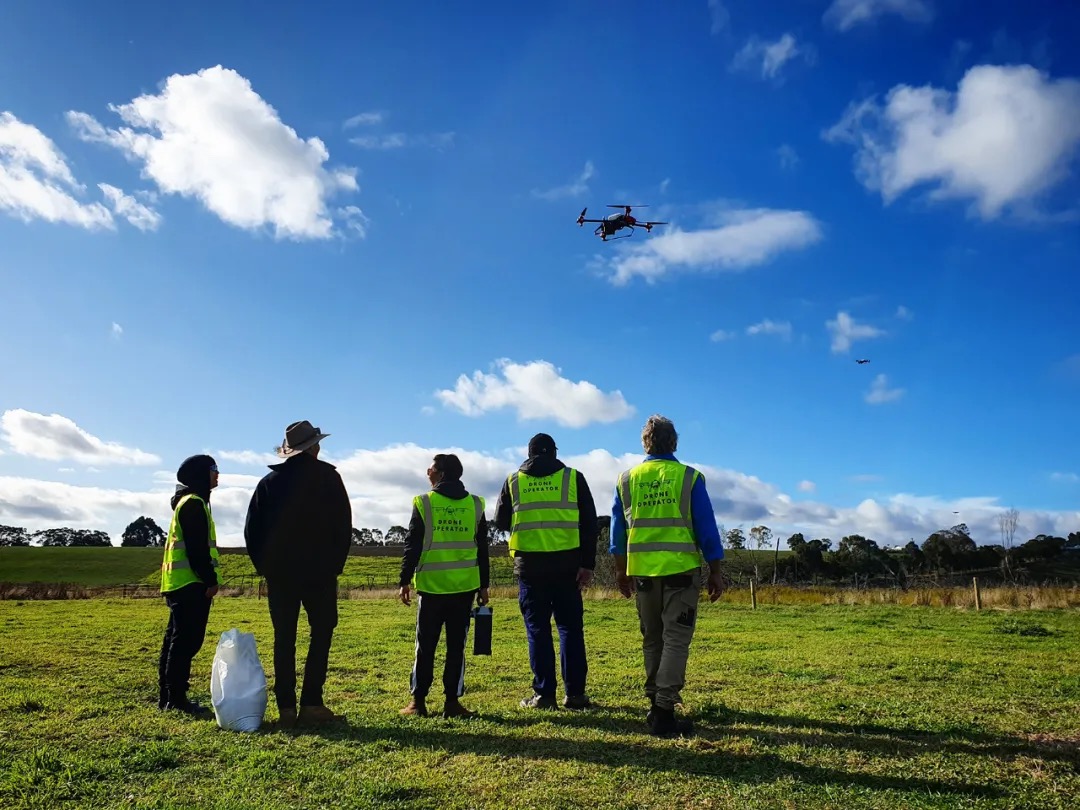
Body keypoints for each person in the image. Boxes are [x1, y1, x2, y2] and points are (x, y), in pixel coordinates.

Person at [611, 415, 725, 737]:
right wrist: (715, 571)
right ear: (674, 442)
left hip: (643, 573)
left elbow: (617, 531)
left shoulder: (626, 480)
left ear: (645, 442)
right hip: (680, 572)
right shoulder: (689, 478)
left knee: (652, 639)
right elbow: (707, 528)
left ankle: (654, 704)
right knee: (676, 640)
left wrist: (621, 570)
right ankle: (663, 710)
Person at [244, 420, 352, 728]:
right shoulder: (329, 479)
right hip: (320, 573)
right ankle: (312, 703)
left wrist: (265, 568)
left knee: (284, 638)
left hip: (280, 575)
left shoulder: (268, 483)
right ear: (314, 447)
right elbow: (343, 526)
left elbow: (252, 531)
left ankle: (286, 708)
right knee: (322, 633)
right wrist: (334, 566)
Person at [494, 433, 598, 710]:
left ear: (529, 454)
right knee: (570, 630)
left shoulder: (513, 480)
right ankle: (575, 695)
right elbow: (590, 525)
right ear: (554, 452)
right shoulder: (573, 478)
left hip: (530, 567)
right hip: (568, 568)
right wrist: (587, 564)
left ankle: (544, 696)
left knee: (537, 631)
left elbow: (501, 521)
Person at [398, 453, 489, 719]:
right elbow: (482, 549)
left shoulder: (424, 502)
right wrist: (484, 585)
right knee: (456, 647)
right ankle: (452, 702)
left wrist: (404, 579)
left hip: (432, 588)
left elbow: (412, 543)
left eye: (431, 468)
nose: (427, 471)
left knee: (425, 646)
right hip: (465, 588)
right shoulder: (475, 504)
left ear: (440, 474)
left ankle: (418, 703)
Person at [158, 454, 222, 716]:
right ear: (201, 474)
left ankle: (168, 695)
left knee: (176, 640)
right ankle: (176, 698)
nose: (218, 474)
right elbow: (197, 550)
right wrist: (210, 580)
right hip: (191, 584)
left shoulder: (188, 503)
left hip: (179, 584)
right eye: (214, 469)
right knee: (186, 642)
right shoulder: (194, 504)